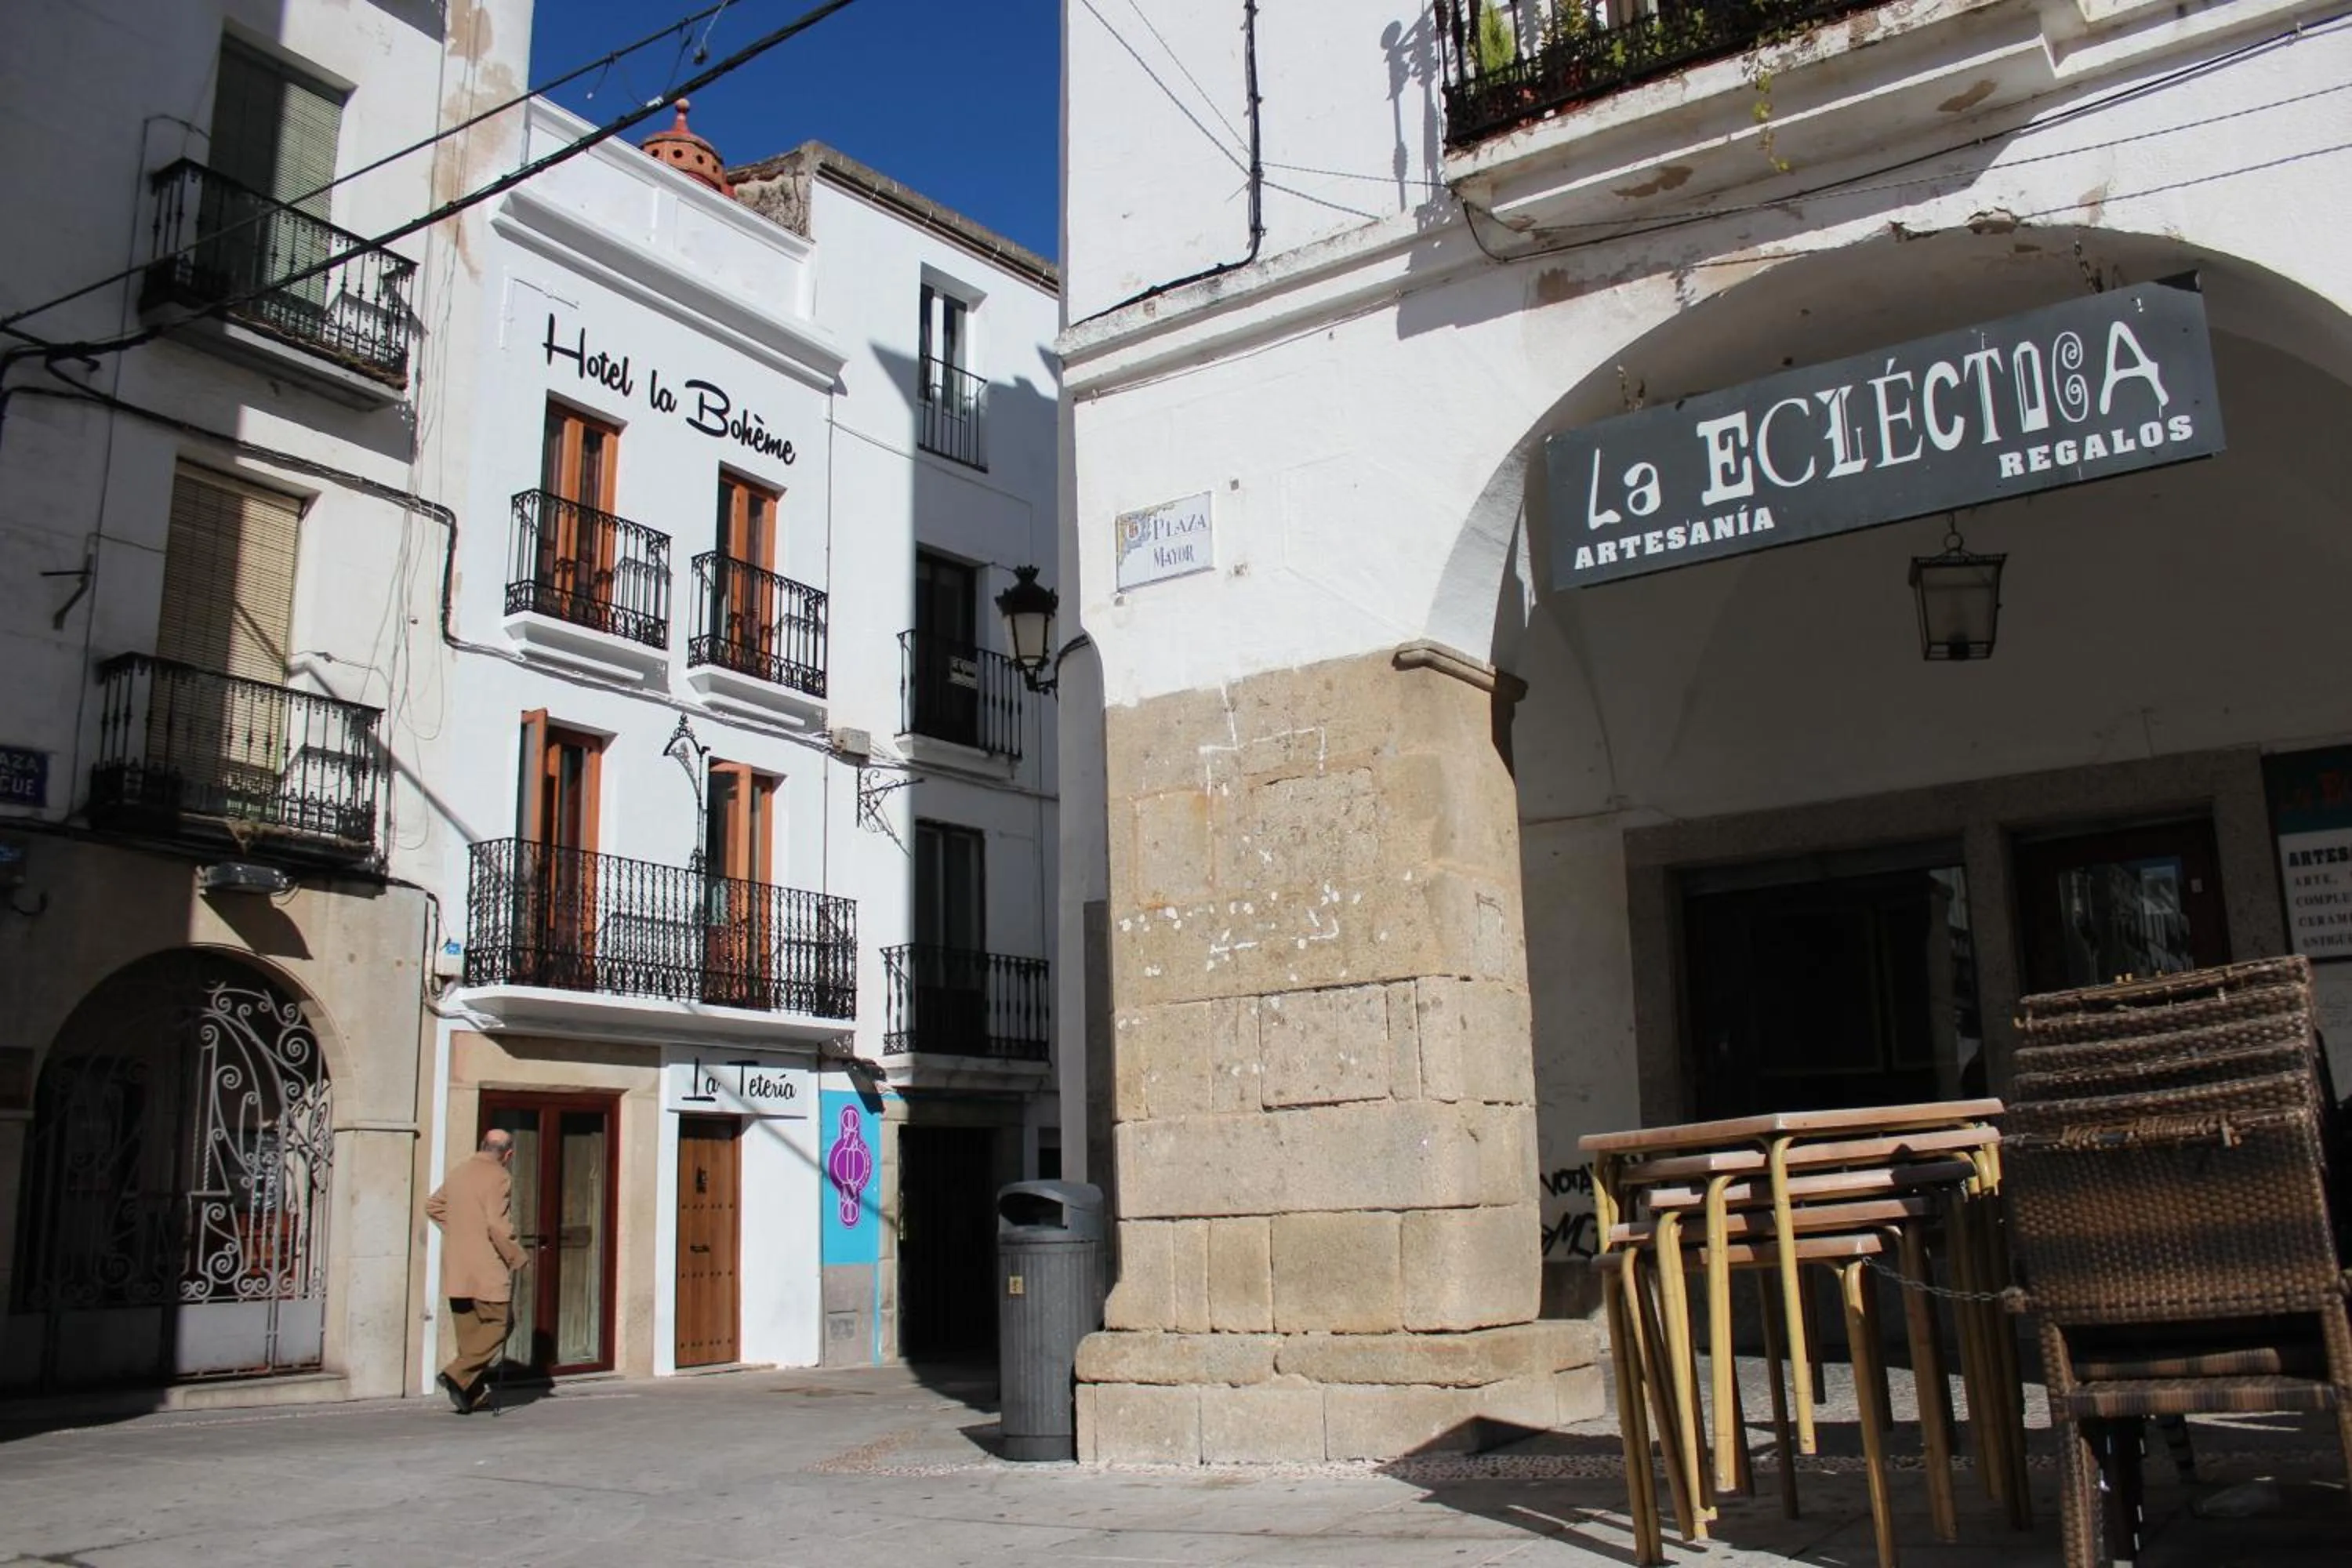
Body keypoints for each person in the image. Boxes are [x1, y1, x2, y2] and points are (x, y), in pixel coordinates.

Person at [424, 1127, 528, 1414]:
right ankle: (457, 1373)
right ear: (508, 1154)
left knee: (469, 1334)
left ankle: (471, 1393)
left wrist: (460, 1228)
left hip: (457, 1265)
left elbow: (433, 1205)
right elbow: (497, 1224)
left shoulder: (459, 1171)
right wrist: (516, 1256)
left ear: (483, 1145)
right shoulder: (499, 1177)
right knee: (499, 1322)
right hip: (487, 1265)